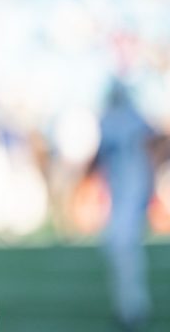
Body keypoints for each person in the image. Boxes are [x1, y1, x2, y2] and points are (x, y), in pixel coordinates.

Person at [90, 81, 158, 331]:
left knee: (122, 249)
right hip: (124, 193)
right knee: (120, 249)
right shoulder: (130, 118)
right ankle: (130, 306)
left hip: (129, 193)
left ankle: (132, 308)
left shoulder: (113, 120)